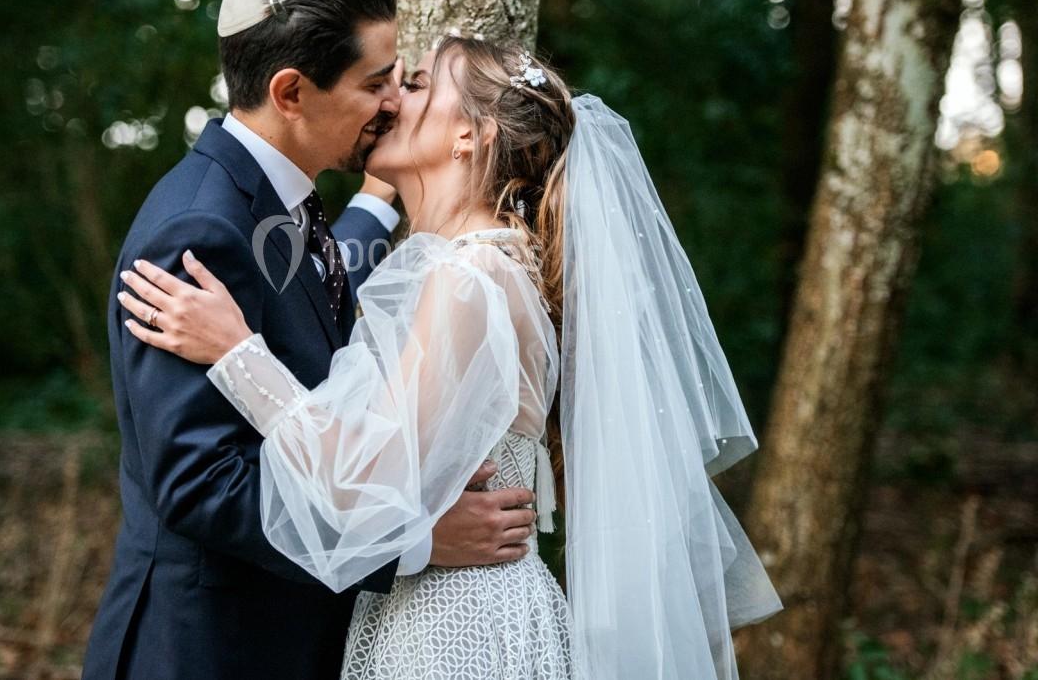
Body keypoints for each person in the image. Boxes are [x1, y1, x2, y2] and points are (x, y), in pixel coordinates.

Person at [119, 36, 785, 679]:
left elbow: (360, 480)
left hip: (455, 631)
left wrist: (238, 354)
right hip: (444, 615)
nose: (390, 100)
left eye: (414, 84)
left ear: (469, 135)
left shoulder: (467, 281)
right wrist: (383, 195)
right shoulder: (488, 266)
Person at [82, 0, 537, 680]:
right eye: (376, 82)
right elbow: (205, 485)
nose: (393, 101)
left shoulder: (278, 198)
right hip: (211, 650)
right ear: (292, 91)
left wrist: (385, 196)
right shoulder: (197, 232)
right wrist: (414, 543)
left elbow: (314, 289)